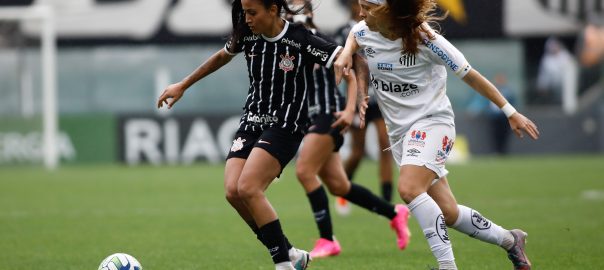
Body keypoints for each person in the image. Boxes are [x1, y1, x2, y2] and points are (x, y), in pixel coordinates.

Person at [334, 0, 540, 269]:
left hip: (433, 123)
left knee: (408, 188)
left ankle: (447, 266)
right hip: (401, 134)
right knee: (449, 212)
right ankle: (511, 240)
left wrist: (509, 111)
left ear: (390, 10)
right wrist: (347, 54)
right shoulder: (363, 31)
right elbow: (354, 36)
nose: (361, 13)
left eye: (368, 7)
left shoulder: (426, 38)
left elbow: (470, 74)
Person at [157, 0, 344, 269]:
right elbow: (223, 55)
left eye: (252, 12)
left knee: (249, 188)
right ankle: (290, 253)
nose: (246, 18)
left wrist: (355, 101)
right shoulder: (249, 35)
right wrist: (183, 84)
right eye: (244, 12)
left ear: (272, 10)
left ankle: (283, 265)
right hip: (252, 120)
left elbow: (351, 58)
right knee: (233, 192)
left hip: (285, 124)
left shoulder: (300, 38)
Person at [285, 0, 411, 259]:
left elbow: (351, 71)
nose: (288, 12)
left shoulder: (316, 39)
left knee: (304, 170)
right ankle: (394, 212)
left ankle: (327, 239)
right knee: (340, 186)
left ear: (306, 12)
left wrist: (350, 109)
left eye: (292, 7)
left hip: (328, 114)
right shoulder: (289, 41)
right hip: (311, 117)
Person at [333, 0, 395, 215]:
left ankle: (387, 199)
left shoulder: (379, 26)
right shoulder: (345, 32)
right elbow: (342, 65)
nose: (359, 9)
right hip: (358, 98)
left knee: (385, 144)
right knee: (358, 151)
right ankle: (343, 191)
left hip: (381, 97)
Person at [467, 73, 517, 155]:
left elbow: (512, 103)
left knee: (505, 134)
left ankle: (503, 152)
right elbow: (481, 102)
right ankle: (497, 151)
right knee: (495, 134)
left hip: (505, 117)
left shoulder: (508, 92)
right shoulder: (490, 91)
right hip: (494, 117)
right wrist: (473, 110)